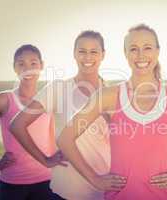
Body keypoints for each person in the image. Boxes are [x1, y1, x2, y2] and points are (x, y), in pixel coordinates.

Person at [57, 24, 167, 200]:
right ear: (125, 53)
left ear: (157, 51)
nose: (140, 55)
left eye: (147, 48)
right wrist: (95, 179)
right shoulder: (108, 96)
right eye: (133, 49)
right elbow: (64, 139)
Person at [10, 31, 112, 200]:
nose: (87, 57)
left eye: (94, 51)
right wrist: (45, 160)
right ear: (74, 53)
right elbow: (17, 125)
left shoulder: (112, 93)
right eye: (82, 51)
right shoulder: (58, 88)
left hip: (105, 188)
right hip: (67, 190)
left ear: (103, 54)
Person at [0, 44, 59, 199]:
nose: (28, 69)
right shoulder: (5, 99)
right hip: (12, 185)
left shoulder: (48, 100)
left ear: (41, 66)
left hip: (46, 182)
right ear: (14, 68)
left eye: (33, 63)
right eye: (21, 64)